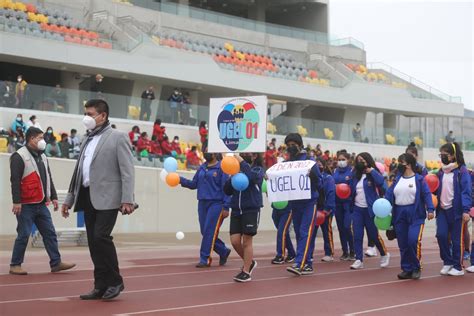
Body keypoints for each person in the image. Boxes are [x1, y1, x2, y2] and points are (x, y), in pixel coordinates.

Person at [62, 99, 136, 300]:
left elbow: (127, 171)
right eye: (85, 113)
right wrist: (69, 199)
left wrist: (127, 199)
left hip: (109, 197)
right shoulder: (86, 139)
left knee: (101, 237)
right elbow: (79, 171)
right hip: (87, 195)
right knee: (93, 243)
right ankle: (100, 285)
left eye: (91, 113)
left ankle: (115, 281)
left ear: (103, 116)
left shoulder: (117, 137)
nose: (86, 117)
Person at [9, 127, 75, 275]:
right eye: (40, 137)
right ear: (31, 139)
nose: (43, 140)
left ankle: (56, 263)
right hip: (26, 204)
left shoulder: (42, 156)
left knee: (50, 233)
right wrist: (17, 202)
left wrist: (54, 197)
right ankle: (15, 264)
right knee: (24, 234)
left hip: (40, 204)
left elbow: (48, 178)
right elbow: (15, 181)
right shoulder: (18, 156)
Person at [385, 153, 435, 279]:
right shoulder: (397, 179)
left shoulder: (419, 179)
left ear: (408, 164)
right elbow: (388, 195)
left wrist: (430, 209)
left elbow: (426, 194)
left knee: (413, 240)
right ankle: (406, 268)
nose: (399, 165)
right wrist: (384, 207)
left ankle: (416, 267)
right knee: (403, 243)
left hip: (415, 213)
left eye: (401, 162)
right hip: (399, 214)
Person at [179, 152, 231, 267]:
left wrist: (226, 206)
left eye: (209, 151)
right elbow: (194, 184)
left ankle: (205, 259)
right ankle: (223, 250)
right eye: (205, 150)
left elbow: (227, 188)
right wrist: (180, 180)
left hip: (216, 204)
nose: (206, 153)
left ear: (215, 153)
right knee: (205, 231)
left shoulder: (222, 167)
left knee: (209, 231)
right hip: (202, 203)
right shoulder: (202, 167)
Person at [284, 133, 322, 276]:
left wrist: (313, 177)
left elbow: (320, 183)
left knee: (305, 232)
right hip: (295, 203)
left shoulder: (309, 161)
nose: (290, 147)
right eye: (288, 145)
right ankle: (308, 263)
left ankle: (299, 263)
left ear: (300, 145)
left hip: (309, 202)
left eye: (293, 144)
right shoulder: (287, 163)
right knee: (301, 233)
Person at [224, 153, 264, 282]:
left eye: (249, 154)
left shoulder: (257, 170)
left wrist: (241, 162)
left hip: (251, 209)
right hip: (236, 209)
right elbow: (227, 190)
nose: (245, 155)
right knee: (235, 241)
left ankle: (246, 271)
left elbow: (252, 179)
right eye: (244, 154)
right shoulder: (236, 171)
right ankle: (250, 262)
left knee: (247, 241)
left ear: (254, 157)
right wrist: (232, 176)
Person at [435, 142, 472, 276]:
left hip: (456, 211)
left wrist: (466, 210)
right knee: (441, 235)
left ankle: (458, 266)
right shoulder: (441, 172)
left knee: (457, 240)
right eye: (441, 154)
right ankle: (447, 261)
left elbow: (466, 192)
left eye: (444, 154)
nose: (442, 157)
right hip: (443, 210)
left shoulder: (462, 171)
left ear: (452, 156)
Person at [349, 152, 390, 270]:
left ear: (367, 161)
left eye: (363, 160)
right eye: (358, 160)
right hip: (357, 209)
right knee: (357, 234)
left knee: (373, 235)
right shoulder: (355, 175)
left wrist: (371, 171)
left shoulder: (373, 174)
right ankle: (358, 259)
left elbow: (382, 183)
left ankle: (384, 254)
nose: (360, 162)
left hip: (370, 210)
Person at [312, 157, 336, 262]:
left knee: (327, 232)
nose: (318, 166)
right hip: (314, 210)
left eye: (320, 164)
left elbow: (331, 193)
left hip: (325, 210)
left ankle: (329, 253)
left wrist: (328, 208)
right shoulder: (312, 178)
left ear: (324, 165)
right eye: (316, 164)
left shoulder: (328, 178)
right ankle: (309, 254)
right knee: (311, 233)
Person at [333, 151, 355, 261]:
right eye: (339, 159)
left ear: (348, 160)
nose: (341, 161)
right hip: (337, 204)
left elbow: (354, 187)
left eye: (343, 159)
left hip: (348, 204)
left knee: (347, 227)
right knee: (341, 228)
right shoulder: (335, 171)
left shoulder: (352, 171)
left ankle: (353, 250)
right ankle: (344, 251)